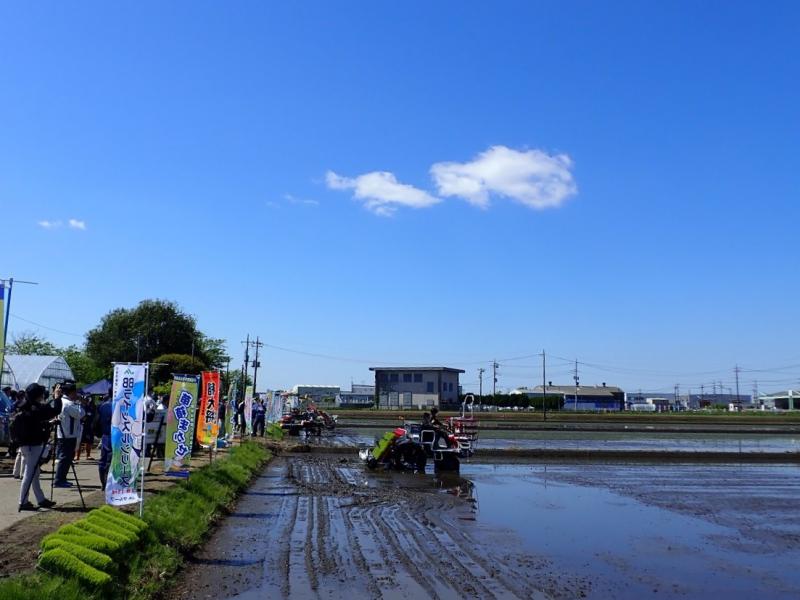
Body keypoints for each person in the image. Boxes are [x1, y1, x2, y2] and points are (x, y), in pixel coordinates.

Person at [12, 383, 58, 511]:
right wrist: (57, 398)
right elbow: (54, 411)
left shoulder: (23, 405)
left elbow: (34, 423)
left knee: (34, 473)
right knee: (29, 473)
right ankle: (23, 501)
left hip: (25, 445)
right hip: (33, 445)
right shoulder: (35, 408)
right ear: (38, 395)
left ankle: (40, 499)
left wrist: (47, 423)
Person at [53, 382, 85, 488]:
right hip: (68, 434)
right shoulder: (68, 404)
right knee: (65, 458)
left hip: (65, 433)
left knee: (66, 458)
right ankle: (59, 480)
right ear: (71, 392)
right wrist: (80, 404)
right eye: (75, 392)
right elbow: (80, 414)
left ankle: (62, 479)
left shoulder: (63, 401)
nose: (76, 394)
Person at [95, 393, 113, 490]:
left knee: (103, 459)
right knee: (110, 460)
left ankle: (104, 483)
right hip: (116, 436)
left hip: (105, 435)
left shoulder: (102, 406)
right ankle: (108, 482)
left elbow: (96, 422)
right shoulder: (121, 405)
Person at [75, 395, 96, 461]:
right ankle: (77, 456)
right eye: (85, 399)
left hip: (89, 426)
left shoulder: (91, 407)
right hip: (81, 426)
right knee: (79, 441)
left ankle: (88, 455)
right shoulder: (79, 406)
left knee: (89, 441)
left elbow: (93, 416)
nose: (87, 400)